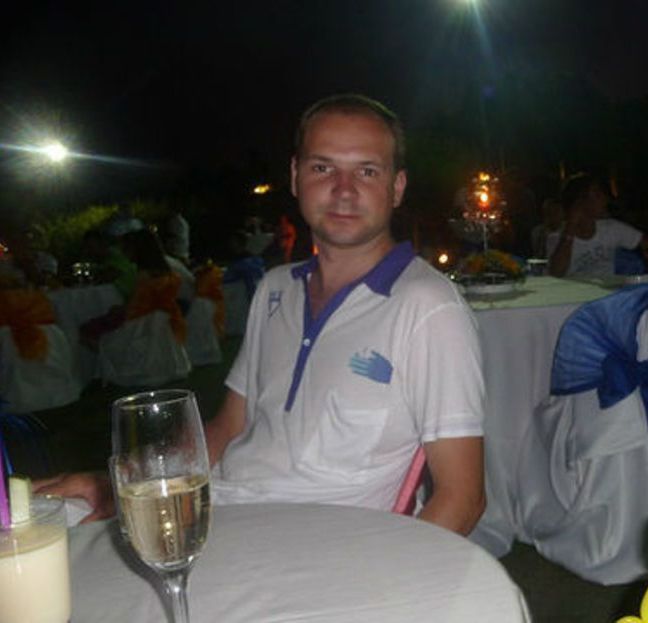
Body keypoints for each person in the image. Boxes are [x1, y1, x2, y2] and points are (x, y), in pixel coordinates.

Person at [36, 94, 486, 536]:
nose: (344, 189)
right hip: (217, 509)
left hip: (310, 547)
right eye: (322, 167)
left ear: (397, 187)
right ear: (295, 177)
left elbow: (462, 498)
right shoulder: (276, 288)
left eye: (367, 171)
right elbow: (229, 427)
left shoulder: (429, 307)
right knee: (35, 520)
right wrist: (121, 485)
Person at [548, 173, 648, 277]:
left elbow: (644, 243)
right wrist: (571, 226)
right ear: (579, 203)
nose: (605, 199)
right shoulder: (557, 237)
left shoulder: (611, 228)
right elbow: (556, 273)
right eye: (597, 195)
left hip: (609, 287)